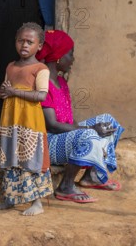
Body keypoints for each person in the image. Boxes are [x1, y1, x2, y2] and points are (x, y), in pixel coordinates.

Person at [37, 30, 124, 203]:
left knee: (108, 122)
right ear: (59, 57)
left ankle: (91, 176)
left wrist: (87, 128)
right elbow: (52, 125)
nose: (73, 60)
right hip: (49, 142)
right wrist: (89, 129)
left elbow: (69, 120)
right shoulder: (43, 84)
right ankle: (65, 187)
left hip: (64, 136)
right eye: (71, 54)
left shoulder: (61, 82)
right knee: (90, 135)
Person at [0, 22, 53, 216]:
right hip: (11, 119)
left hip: (30, 122)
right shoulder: (11, 66)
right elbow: (7, 88)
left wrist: (13, 91)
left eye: (30, 41)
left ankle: (37, 202)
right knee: (12, 157)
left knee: (32, 160)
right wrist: (5, 92)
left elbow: (41, 96)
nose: (24, 45)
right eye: (21, 41)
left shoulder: (41, 68)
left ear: (40, 46)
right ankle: (11, 198)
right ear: (15, 42)